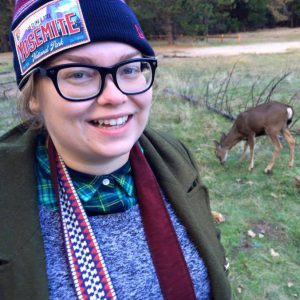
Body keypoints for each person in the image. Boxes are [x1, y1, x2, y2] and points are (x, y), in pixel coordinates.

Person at [0, 1, 231, 299]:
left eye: (131, 68)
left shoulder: (174, 157)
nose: (115, 95)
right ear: (34, 96)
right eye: (79, 74)